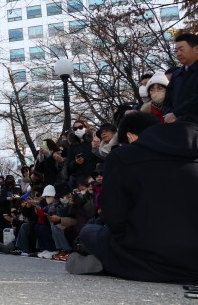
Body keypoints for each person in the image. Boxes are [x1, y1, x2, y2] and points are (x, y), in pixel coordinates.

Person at [64, 112, 198, 282]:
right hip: (193, 259)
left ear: (130, 136)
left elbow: (114, 216)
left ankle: (108, 262)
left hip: (148, 253)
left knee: (88, 231)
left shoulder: (122, 156)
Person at [164, 33, 198, 123]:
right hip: (177, 124)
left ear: (196, 49)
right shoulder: (176, 75)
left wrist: (176, 114)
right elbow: (167, 100)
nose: (178, 54)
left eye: (181, 50)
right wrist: (168, 114)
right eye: (176, 51)